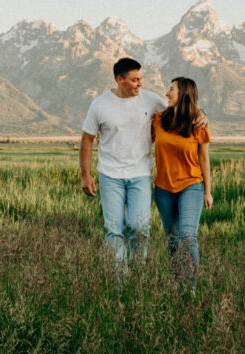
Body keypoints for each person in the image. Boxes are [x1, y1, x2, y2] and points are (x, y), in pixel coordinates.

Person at [80, 57, 166, 270]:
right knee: (114, 228)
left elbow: (179, 113)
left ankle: (138, 272)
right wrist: (86, 175)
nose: (140, 83)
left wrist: (201, 115)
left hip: (141, 174)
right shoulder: (99, 105)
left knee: (139, 226)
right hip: (110, 176)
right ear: (119, 79)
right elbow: (87, 140)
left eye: (141, 78)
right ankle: (120, 279)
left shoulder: (151, 100)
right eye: (135, 80)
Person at [152, 77, 213, 283]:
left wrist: (208, 191)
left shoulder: (198, 124)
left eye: (171, 89)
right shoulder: (159, 119)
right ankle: (178, 281)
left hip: (191, 185)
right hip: (163, 189)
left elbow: (204, 159)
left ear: (184, 93)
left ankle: (191, 286)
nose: (167, 94)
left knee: (188, 237)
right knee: (172, 239)